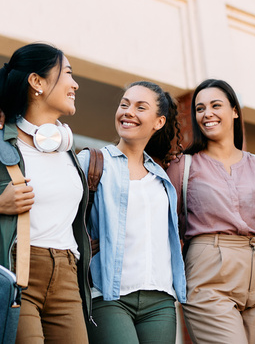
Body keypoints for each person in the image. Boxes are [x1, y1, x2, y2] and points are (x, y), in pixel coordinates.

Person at [0, 43, 91, 344]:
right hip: (15, 273)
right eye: (67, 73)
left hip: (68, 274)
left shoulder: (65, 149)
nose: (75, 83)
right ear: (36, 82)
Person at [165, 79, 255, 344]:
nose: (207, 114)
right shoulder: (184, 166)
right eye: (200, 108)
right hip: (210, 272)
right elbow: (167, 226)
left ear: (235, 111)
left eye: (216, 105)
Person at [79, 81, 186, 344]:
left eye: (140, 107)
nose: (128, 111)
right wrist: (79, 242)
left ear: (158, 122)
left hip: (160, 300)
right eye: (124, 104)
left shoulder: (162, 176)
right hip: (108, 296)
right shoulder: (92, 162)